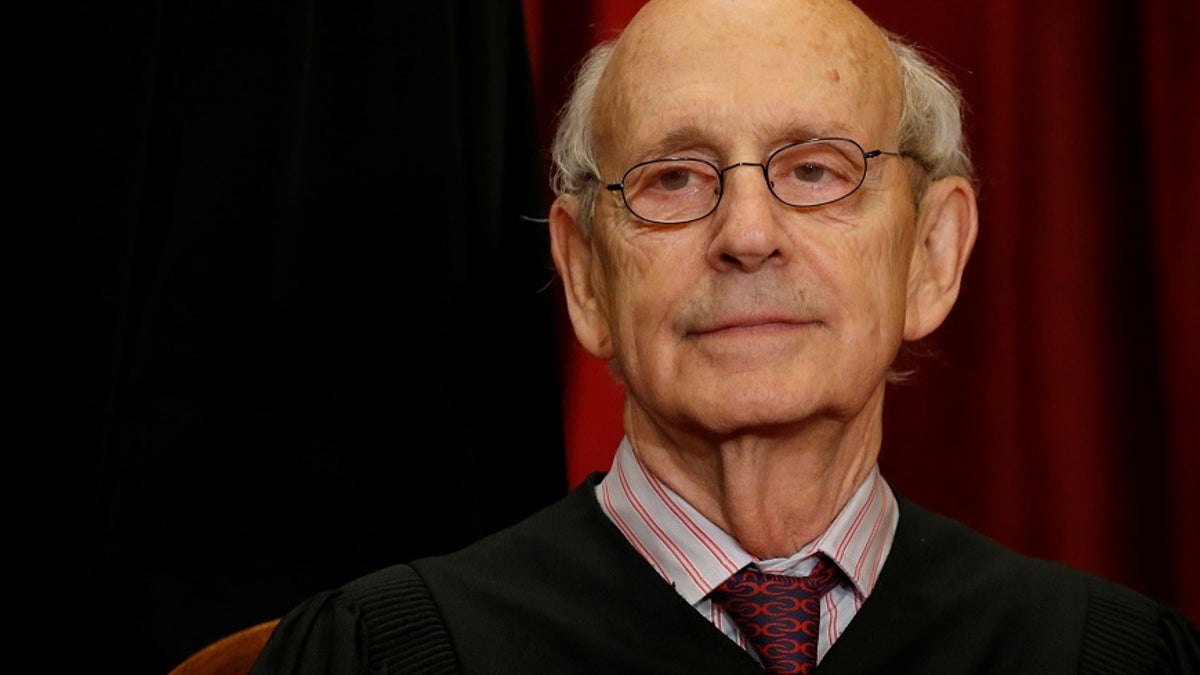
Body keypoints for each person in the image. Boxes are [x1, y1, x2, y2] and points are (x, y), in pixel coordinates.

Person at [248, 0, 1200, 673]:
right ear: (585, 275)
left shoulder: (1105, 655)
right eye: (673, 178)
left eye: (818, 170)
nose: (747, 234)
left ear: (931, 255)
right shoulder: (389, 653)